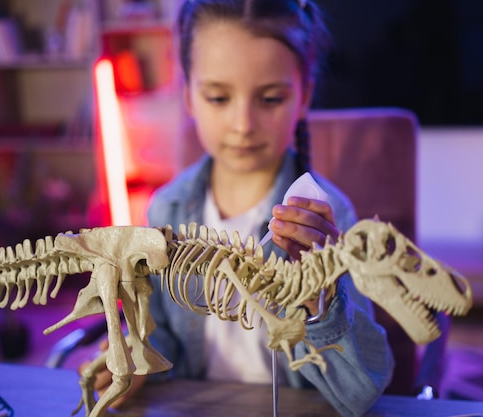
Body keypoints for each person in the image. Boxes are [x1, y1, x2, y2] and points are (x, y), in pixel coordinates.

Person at [82, 0, 394, 415]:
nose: (243, 124)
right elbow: (163, 336)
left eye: (269, 99)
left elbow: (361, 392)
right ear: (189, 96)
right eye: (218, 97)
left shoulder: (329, 219)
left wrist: (321, 301)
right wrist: (137, 356)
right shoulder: (166, 211)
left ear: (303, 98)